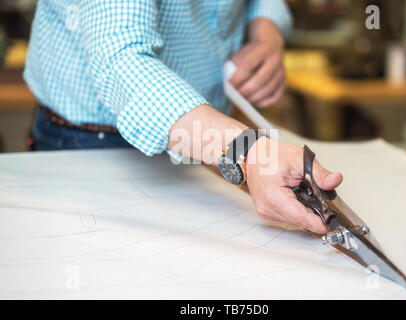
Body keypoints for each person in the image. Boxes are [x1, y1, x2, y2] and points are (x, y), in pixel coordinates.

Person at [25, 1, 343, 234]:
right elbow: (120, 58)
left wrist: (266, 29)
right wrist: (246, 150)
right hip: (95, 143)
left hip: (208, 138)